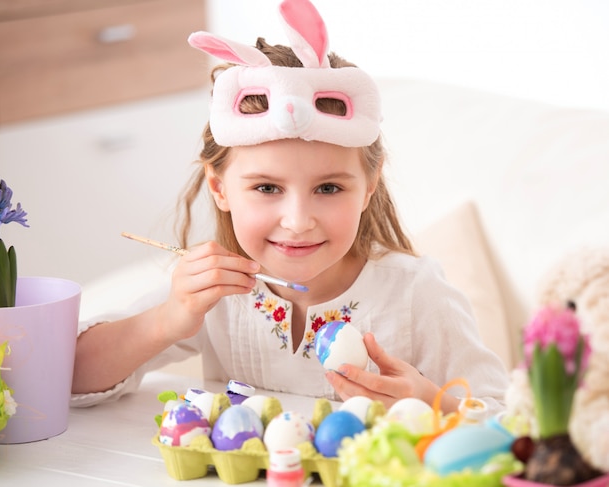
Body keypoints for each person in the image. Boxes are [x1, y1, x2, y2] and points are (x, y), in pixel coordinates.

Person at [71, 0, 509, 414]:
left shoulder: (416, 294)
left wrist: (432, 404)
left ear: (369, 185)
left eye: (329, 188)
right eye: (266, 188)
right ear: (219, 187)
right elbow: (69, 379)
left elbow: (506, 420)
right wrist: (167, 319)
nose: (298, 222)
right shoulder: (215, 293)